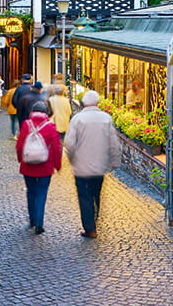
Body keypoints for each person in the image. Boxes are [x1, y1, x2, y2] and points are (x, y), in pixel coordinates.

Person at [64, 90, 121, 239]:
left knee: (84, 196)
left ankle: (90, 228)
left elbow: (69, 144)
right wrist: (115, 160)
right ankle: (94, 217)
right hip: (100, 165)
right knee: (96, 193)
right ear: (97, 103)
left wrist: (72, 159)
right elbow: (113, 142)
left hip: (81, 166)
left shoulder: (77, 119)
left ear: (83, 103)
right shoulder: (106, 118)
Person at [15, 101, 61, 234]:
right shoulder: (51, 126)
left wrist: (20, 159)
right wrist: (57, 165)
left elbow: (19, 145)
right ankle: (39, 223)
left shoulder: (26, 124)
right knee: (41, 193)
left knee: (31, 192)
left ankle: (32, 220)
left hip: (28, 166)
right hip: (45, 167)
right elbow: (57, 148)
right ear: (46, 112)